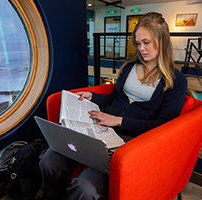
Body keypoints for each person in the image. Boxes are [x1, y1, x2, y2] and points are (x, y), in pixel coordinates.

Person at [39, 12, 187, 200]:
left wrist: (118, 121)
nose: (141, 49)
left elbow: (163, 125)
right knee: (48, 161)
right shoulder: (130, 68)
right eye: (138, 43)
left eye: (146, 42)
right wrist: (92, 96)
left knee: (86, 188)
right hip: (101, 126)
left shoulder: (176, 80)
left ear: (162, 40)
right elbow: (115, 97)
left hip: (129, 138)